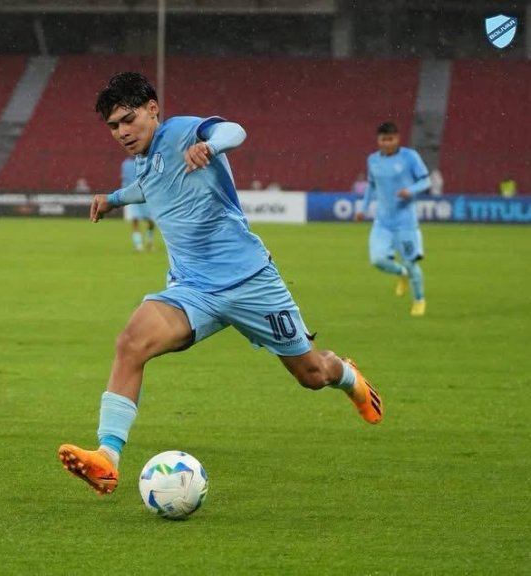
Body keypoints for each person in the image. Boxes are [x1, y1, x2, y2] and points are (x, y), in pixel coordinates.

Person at [57, 72, 382, 496]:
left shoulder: (181, 131)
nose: (121, 132)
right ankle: (107, 458)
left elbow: (235, 130)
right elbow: (151, 187)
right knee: (130, 343)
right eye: (114, 126)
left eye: (128, 119)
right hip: (193, 289)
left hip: (250, 282)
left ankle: (347, 375)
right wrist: (113, 199)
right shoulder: (145, 158)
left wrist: (210, 146)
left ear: (153, 108)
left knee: (311, 374)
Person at [354, 122, 430, 317]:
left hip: (405, 223)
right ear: (378, 140)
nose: (387, 143)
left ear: (398, 139)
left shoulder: (410, 156)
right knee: (378, 260)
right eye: (383, 139)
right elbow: (371, 186)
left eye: (391, 139)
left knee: (412, 263)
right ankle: (401, 273)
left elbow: (426, 180)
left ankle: (419, 300)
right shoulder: (373, 160)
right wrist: (363, 209)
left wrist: (410, 190)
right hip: (382, 222)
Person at [120, 156, 155, 251]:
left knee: (151, 220)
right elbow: (124, 180)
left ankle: (149, 241)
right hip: (132, 195)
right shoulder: (125, 164)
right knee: (135, 219)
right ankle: (138, 245)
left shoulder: (147, 160)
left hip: (146, 194)